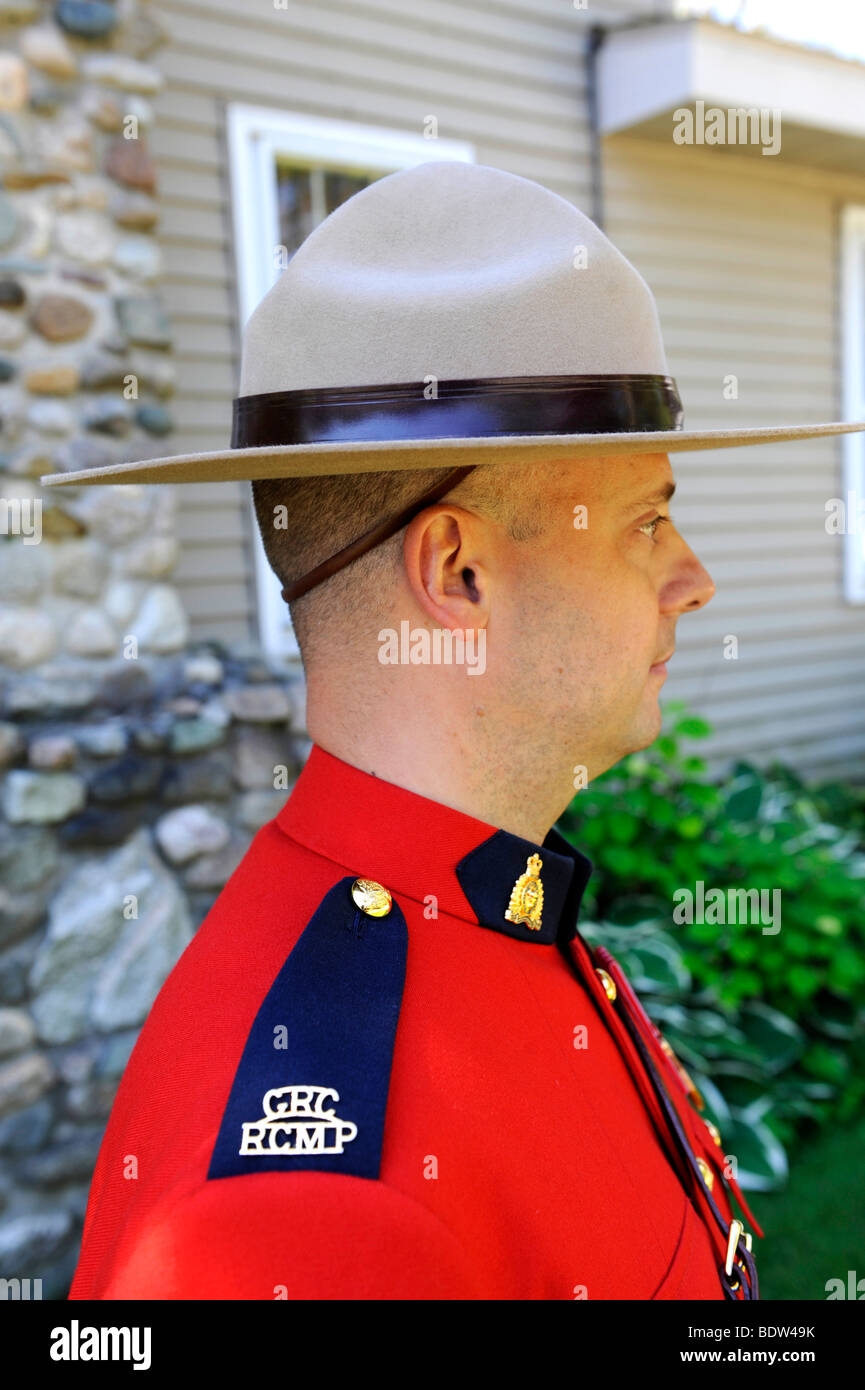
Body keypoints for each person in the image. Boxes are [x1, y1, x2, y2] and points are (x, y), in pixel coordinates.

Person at [44, 161, 864, 1300]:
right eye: (646, 521)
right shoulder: (306, 1211)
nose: (694, 579)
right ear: (460, 572)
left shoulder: (493, 908)